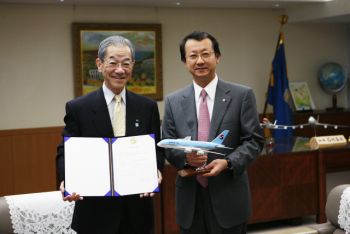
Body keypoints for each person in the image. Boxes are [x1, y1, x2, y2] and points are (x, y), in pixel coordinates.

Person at [56, 35, 164, 234]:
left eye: (126, 63)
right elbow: (66, 150)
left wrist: (155, 170)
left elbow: (155, 148)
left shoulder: (147, 107)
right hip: (94, 213)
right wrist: (66, 179)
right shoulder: (79, 108)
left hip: (137, 213)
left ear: (133, 65)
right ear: (99, 64)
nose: (120, 70)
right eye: (113, 62)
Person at [161, 31, 265, 234]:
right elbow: (168, 144)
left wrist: (228, 162)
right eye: (193, 56)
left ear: (217, 57)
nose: (199, 61)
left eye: (206, 54)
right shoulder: (173, 101)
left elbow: (254, 141)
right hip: (190, 198)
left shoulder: (241, 95)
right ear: (185, 61)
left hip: (229, 195)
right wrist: (186, 159)